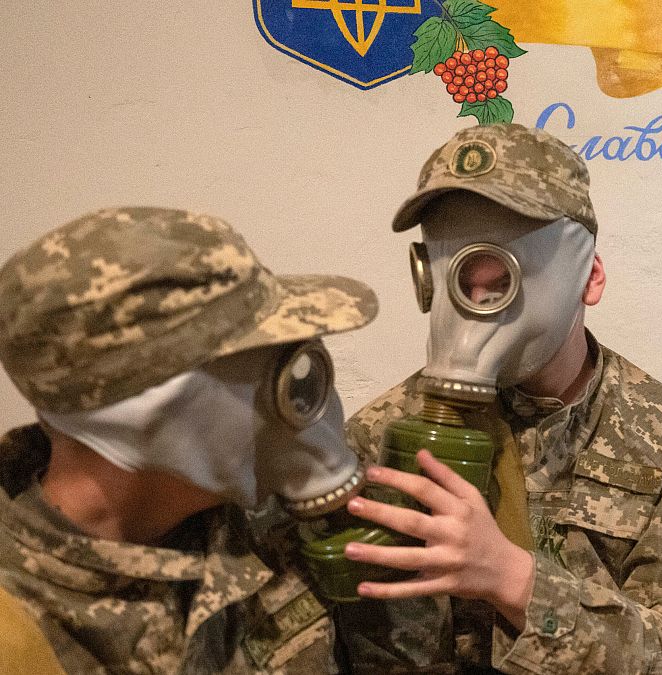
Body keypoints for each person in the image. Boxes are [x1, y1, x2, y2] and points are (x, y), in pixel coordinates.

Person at [342, 123, 662, 673]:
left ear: (590, 278)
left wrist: (513, 580)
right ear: (429, 278)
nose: (483, 302)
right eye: (466, 280)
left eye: (504, 277)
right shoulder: (381, 437)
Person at [0, 206, 408, 672]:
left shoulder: (272, 529)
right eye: (279, 365)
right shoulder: (15, 634)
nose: (309, 403)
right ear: (152, 411)